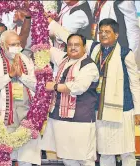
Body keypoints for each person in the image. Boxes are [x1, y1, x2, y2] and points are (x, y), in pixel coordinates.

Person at [47, 16, 140, 166]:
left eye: (107, 32)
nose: (103, 34)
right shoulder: (94, 47)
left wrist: (137, 111)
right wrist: (50, 22)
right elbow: (68, 37)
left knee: (127, 151)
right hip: (100, 110)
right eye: (101, 31)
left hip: (123, 109)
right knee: (104, 151)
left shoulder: (125, 53)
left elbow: (135, 83)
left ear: (116, 35)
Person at [41, 34, 99, 166]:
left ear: (84, 47)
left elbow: (78, 87)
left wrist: (54, 86)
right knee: (66, 156)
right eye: (70, 45)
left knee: (84, 158)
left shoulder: (89, 65)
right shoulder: (64, 59)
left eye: (77, 45)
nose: (73, 48)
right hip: (59, 118)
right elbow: (47, 48)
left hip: (80, 120)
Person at [0, 30, 40, 166]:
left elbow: (38, 86)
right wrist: (9, 76)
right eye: (12, 44)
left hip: (27, 116)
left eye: (18, 44)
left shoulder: (27, 60)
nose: (17, 47)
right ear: (2, 45)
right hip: (3, 118)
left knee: (26, 160)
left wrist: (22, 76)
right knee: (3, 159)